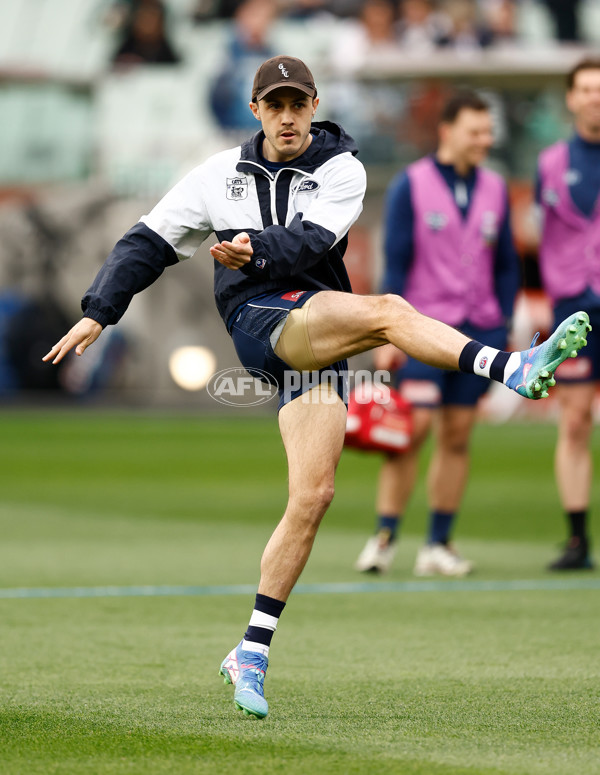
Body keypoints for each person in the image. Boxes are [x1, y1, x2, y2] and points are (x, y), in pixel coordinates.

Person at [44, 56, 589, 719]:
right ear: (255, 111)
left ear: (314, 104)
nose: (287, 115)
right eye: (274, 104)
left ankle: (250, 647)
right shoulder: (220, 174)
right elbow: (146, 241)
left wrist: (252, 248)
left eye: (297, 103)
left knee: (314, 494)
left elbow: (310, 243)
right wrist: (99, 310)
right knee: (388, 311)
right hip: (261, 319)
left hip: (316, 324)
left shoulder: (342, 167)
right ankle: (512, 368)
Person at [355, 91, 520, 577]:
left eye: (489, 132)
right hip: (424, 329)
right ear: (447, 131)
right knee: (414, 429)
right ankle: (385, 537)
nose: (485, 140)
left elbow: (507, 264)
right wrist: (387, 336)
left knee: (457, 434)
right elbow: (398, 265)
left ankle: (437, 544)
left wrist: (504, 322)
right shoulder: (412, 184)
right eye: (476, 131)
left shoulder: (495, 187)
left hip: (481, 329)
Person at [536, 57, 600, 570]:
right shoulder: (550, 162)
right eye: (585, 89)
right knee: (575, 420)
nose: (594, 97)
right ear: (571, 98)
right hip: (575, 309)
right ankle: (577, 539)